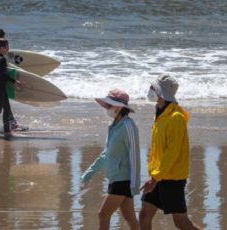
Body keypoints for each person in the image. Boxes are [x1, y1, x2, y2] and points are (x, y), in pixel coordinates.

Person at [139, 75, 202, 230]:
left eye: (153, 88)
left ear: (161, 93)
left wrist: (155, 178)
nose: (150, 90)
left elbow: (172, 153)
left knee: (181, 222)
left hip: (172, 177)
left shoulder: (176, 118)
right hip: (158, 175)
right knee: (144, 215)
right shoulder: (160, 114)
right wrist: (154, 175)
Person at [81, 89, 141, 230]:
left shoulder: (128, 126)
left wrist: (134, 184)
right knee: (130, 217)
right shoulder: (113, 126)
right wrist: (90, 171)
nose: (106, 109)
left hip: (124, 179)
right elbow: (106, 154)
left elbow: (135, 156)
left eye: (109, 106)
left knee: (103, 214)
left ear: (119, 107)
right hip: (114, 177)